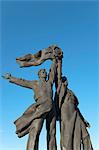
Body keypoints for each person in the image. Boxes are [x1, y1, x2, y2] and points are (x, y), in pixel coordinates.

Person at [2, 58, 58, 150]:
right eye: (42, 71)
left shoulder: (49, 83)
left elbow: (53, 72)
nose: (44, 72)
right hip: (41, 106)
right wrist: (11, 78)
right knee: (35, 130)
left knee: (52, 132)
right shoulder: (35, 83)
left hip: (51, 107)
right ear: (39, 75)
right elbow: (23, 82)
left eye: (45, 71)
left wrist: (54, 61)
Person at [57, 76, 93, 150]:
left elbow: (76, 107)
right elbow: (58, 76)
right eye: (66, 80)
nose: (67, 81)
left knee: (85, 134)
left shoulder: (71, 91)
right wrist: (58, 64)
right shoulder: (60, 90)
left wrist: (84, 119)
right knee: (68, 136)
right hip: (66, 114)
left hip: (76, 113)